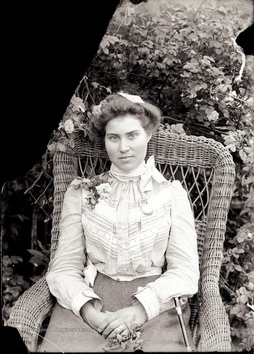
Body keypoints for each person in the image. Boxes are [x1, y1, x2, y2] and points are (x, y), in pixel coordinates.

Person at [38, 91, 200, 352]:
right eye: (114, 137)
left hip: (156, 301)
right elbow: (65, 266)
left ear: (148, 134)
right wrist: (91, 314)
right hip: (92, 297)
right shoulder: (82, 192)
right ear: (105, 140)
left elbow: (185, 271)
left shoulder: (172, 195)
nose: (123, 147)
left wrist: (138, 312)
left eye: (132, 135)